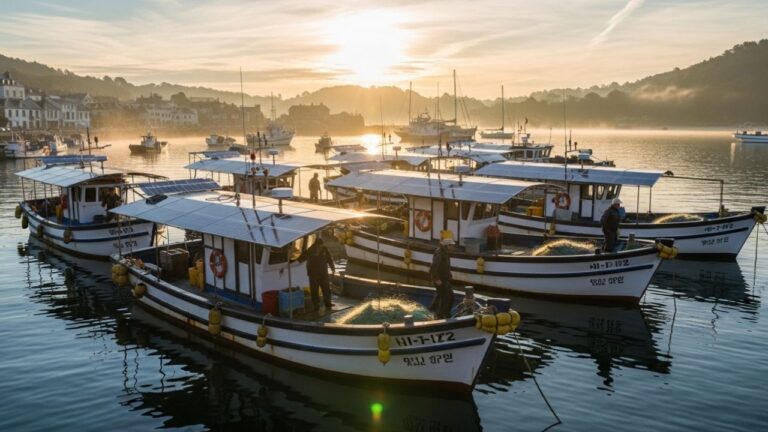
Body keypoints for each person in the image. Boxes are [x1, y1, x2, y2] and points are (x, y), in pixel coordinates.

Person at [299, 238, 335, 311]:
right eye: (319, 245)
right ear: (316, 244)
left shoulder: (324, 249)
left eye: (321, 245)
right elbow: (301, 258)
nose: (320, 246)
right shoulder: (310, 250)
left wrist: (333, 268)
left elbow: (329, 259)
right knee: (314, 290)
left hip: (323, 273)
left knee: (326, 289)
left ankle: (328, 303)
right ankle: (316, 306)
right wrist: (292, 261)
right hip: (313, 274)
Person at [430, 239, 454, 319]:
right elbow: (433, 268)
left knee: (446, 296)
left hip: (444, 279)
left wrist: (449, 274)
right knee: (445, 297)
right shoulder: (440, 254)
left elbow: (445, 266)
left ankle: (435, 311)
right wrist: (437, 279)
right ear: (446, 246)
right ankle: (440, 315)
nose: (452, 247)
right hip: (440, 280)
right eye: (451, 245)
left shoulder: (445, 253)